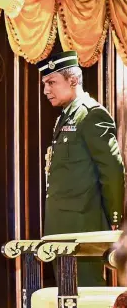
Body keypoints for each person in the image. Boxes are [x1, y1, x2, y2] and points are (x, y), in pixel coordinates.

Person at [37, 50, 125, 286]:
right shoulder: (65, 117)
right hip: (61, 225)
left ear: (73, 80)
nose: (46, 90)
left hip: (84, 225)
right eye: (45, 83)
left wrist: (114, 216)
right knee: (67, 299)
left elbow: (113, 170)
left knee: (86, 296)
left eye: (51, 82)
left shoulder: (91, 114)